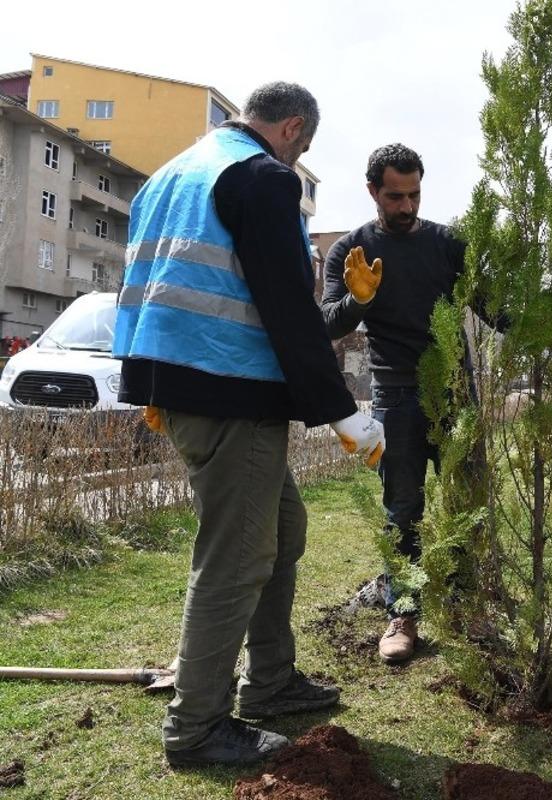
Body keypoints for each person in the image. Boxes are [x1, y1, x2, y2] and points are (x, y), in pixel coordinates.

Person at [114, 82, 385, 768]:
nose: (298, 163)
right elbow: (287, 310)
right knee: (235, 559)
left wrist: (150, 378)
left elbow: (152, 284)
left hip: (183, 383)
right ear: (293, 129)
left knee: (283, 529)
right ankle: (197, 729)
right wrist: (344, 414)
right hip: (231, 387)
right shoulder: (262, 178)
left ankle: (270, 681)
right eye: (305, 150)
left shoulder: (173, 175)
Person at [322, 143, 493, 665]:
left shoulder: (448, 245)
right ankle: (405, 615)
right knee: (403, 512)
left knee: (469, 505)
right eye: (395, 196)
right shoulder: (349, 250)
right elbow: (329, 322)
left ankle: (469, 611)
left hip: (456, 392)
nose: (407, 206)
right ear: (373, 191)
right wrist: (360, 300)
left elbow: (492, 308)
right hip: (395, 394)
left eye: (414, 194)